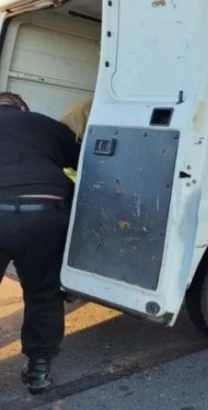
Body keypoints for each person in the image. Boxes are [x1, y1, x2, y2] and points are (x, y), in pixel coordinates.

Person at [0, 92, 81, 394]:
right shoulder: (42, 124)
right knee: (44, 294)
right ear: (23, 108)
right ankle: (39, 371)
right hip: (45, 214)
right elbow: (86, 161)